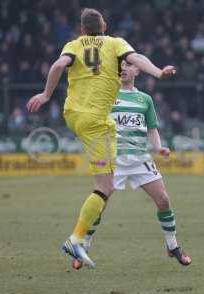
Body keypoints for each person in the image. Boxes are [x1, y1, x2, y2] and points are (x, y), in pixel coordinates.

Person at [26, 8, 176, 268]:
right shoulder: (115, 43)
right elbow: (137, 57)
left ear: (83, 30)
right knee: (105, 187)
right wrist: (159, 72)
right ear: (104, 26)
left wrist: (46, 94)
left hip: (74, 115)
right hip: (98, 122)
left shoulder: (72, 45)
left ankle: (79, 239)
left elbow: (58, 65)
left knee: (103, 183)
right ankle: (76, 239)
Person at [72, 60, 191, 269]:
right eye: (120, 65)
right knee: (98, 206)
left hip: (140, 159)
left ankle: (173, 246)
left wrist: (159, 147)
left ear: (137, 69)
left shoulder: (145, 99)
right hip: (112, 160)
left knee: (163, 200)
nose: (123, 68)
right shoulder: (106, 95)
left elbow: (152, 128)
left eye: (128, 64)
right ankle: (83, 247)